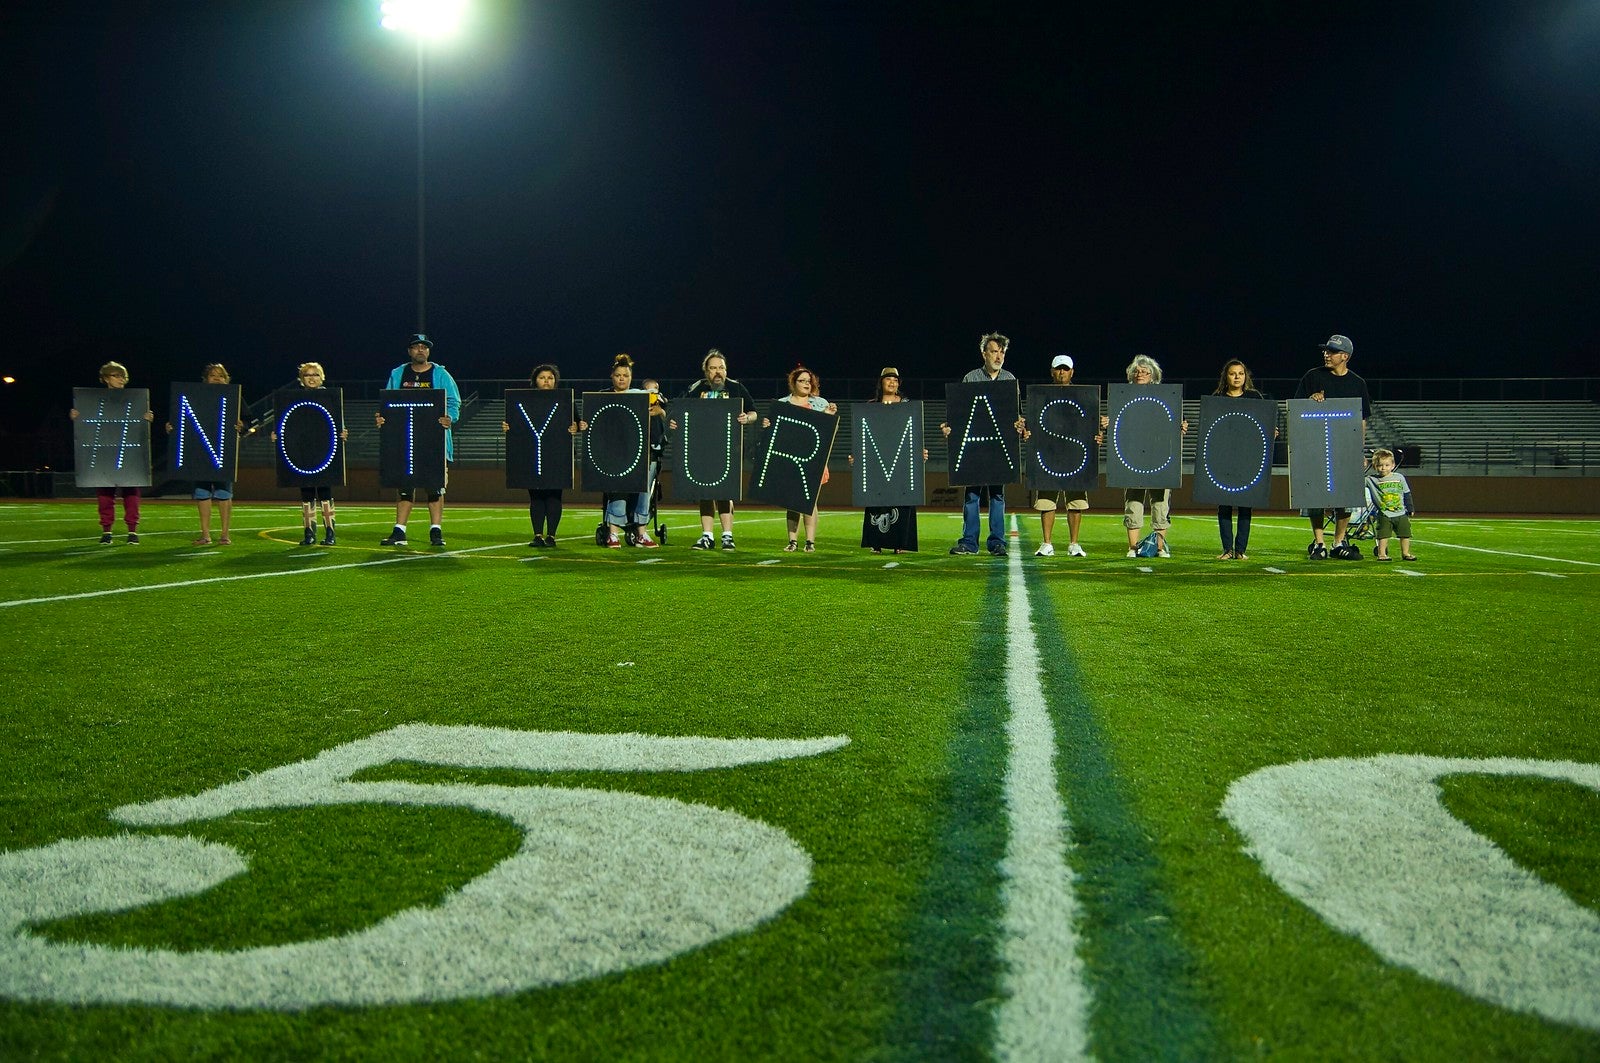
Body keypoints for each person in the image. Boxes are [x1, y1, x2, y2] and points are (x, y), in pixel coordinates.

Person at [942, 332, 1026, 556]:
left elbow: (1017, 414)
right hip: (974, 449)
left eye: (1001, 352)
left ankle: (997, 542)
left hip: (999, 448)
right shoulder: (971, 378)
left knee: (997, 495)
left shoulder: (1010, 379)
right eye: (994, 351)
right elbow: (960, 414)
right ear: (984, 353)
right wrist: (949, 428)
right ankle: (969, 542)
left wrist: (1020, 425)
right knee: (972, 495)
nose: (998, 356)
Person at [376, 334, 461, 547]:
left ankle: (436, 531)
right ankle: (400, 530)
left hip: (434, 441)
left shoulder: (441, 374)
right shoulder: (398, 373)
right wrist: (381, 416)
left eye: (424, 347)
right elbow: (387, 401)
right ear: (409, 351)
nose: (420, 350)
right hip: (404, 440)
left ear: (429, 351)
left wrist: (449, 418)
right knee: (404, 487)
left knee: (435, 487)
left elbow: (453, 401)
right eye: (416, 347)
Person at [1294, 333, 1371, 560]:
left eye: (1332, 351)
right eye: (1325, 350)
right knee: (1314, 495)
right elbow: (1296, 409)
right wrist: (1311, 400)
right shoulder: (1312, 376)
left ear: (1345, 356)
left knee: (1345, 495)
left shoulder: (1358, 383)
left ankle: (1339, 542)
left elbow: (1362, 420)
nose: (1326, 354)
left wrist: (1359, 450)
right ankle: (1319, 543)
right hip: (1315, 445)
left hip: (1344, 447)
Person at [673, 349, 758, 550]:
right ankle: (707, 536)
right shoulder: (695, 389)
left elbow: (753, 412)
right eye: (713, 368)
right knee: (704, 491)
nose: (717, 372)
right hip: (701, 448)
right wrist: (676, 422)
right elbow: (680, 410)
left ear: (726, 370)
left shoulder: (737, 388)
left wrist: (747, 418)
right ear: (706, 371)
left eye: (721, 367)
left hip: (729, 448)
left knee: (725, 491)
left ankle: (727, 536)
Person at [582, 353, 663, 548]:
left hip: (643, 454)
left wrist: (659, 410)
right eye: (618, 375)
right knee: (617, 491)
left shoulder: (642, 396)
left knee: (644, 493)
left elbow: (662, 411)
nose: (621, 378)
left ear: (630, 378)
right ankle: (613, 534)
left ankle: (642, 533)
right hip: (615, 455)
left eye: (625, 375)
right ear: (612, 377)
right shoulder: (602, 397)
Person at [69, 360, 154, 545]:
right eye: (116, 375)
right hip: (103, 453)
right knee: (105, 495)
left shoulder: (135, 400)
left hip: (129, 453)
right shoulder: (92, 401)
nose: (121, 379)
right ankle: (106, 531)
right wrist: (77, 417)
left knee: (132, 494)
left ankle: (132, 531)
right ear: (106, 378)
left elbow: (139, 431)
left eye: (123, 376)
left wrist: (147, 419)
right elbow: (89, 427)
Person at [165, 363, 243, 546]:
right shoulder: (194, 395)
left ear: (227, 379)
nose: (217, 378)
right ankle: (205, 534)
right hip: (199, 455)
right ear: (205, 379)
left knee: (224, 494)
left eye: (221, 376)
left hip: (222, 455)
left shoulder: (234, 397)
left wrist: (242, 426)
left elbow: (246, 420)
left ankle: (225, 534)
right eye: (213, 375)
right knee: (202, 493)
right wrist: (172, 428)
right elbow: (178, 419)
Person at [501, 363, 578, 548]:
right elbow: (512, 423)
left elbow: (577, 422)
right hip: (532, 455)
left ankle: (551, 535)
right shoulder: (524, 400)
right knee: (535, 496)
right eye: (542, 377)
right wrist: (508, 428)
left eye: (550, 378)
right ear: (535, 380)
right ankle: (537, 535)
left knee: (554, 495)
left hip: (557, 455)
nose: (546, 381)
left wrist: (577, 427)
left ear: (555, 381)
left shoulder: (566, 400)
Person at [762, 365, 837, 552]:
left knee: (810, 501)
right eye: (802, 381)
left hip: (813, 459)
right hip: (789, 459)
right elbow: (773, 435)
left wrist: (829, 418)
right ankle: (792, 540)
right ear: (793, 383)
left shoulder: (821, 403)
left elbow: (829, 432)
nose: (806, 384)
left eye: (808, 381)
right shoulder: (782, 404)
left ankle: (810, 542)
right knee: (792, 501)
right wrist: (767, 425)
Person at [272, 362, 348, 546]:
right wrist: (278, 435)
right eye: (307, 375)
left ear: (322, 377)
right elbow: (289, 425)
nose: (311, 378)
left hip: (323, 452)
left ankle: (330, 533)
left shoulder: (330, 399)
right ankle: (309, 533)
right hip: (303, 453)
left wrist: (343, 432)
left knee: (325, 492)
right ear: (301, 379)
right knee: (306, 494)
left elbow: (338, 424)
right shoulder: (293, 399)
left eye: (315, 374)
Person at [1121, 354, 1187, 558]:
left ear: (1153, 375)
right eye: (1137, 371)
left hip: (1159, 458)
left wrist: (1180, 427)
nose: (1140, 374)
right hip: (1133, 458)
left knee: (1160, 503)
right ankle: (1133, 547)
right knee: (1133, 502)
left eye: (1144, 371)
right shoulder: (1123, 397)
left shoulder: (1165, 398)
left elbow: (1172, 423)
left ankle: (1158, 546)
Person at [1030, 354, 1091, 558]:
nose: (1062, 372)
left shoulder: (1083, 396)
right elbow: (1032, 425)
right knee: (1047, 500)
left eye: (1066, 369)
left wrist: (1100, 430)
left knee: (1075, 501)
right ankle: (1047, 543)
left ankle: (1074, 543)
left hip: (1074, 456)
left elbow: (1090, 425)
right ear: (1052, 371)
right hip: (1048, 455)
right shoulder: (1040, 397)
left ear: (1072, 372)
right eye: (1058, 368)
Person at [1211, 358, 1272, 560]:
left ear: (1245, 376)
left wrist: (1272, 431)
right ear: (1226, 377)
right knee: (1224, 505)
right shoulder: (1218, 397)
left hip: (1248, 458)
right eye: (1232, 373)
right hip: (1224, 458)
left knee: (1246, 504)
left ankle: (1241, 550)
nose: (1237, 377)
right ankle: (1227, 549)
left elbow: (1264, 424)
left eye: (1240, 373)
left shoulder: (1255, 397)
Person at [858, 367, 921, 554]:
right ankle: (876, 542)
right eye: (888, 379)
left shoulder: (907, 405)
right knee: (877, 501)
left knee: (902, 501)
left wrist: (919, 451)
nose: (892, 382)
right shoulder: (871, 406)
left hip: (901, 461)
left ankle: (899, 543)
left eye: (895, 380)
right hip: (877, 462)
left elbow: (915, 432)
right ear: (881, 382)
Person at [1364, 447, 1417, 562]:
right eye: (1380, 465)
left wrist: (1410, 507)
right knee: (1383, 535)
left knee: (1405, 534)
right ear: (1375, 466)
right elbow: (1357, 482)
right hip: (1384, 514)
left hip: (1401, 512)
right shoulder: (1370, 479)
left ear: (1392, 465)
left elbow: (1407, 493)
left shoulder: (1399, 477)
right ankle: (1382, 554)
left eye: (1387, 465)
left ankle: (1406, 553)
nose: (1383, 468)